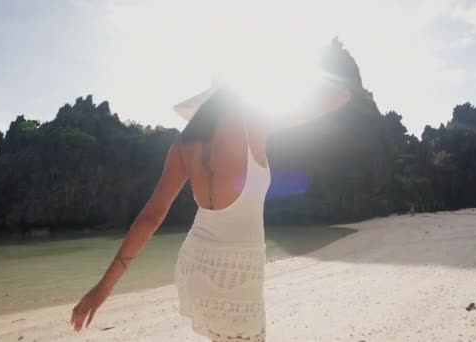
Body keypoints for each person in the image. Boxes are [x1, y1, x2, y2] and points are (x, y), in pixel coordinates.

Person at [70, 73, 351, 341]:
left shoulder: (183, 144)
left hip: (197, 266)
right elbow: (333, 98)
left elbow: (150, 217)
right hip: (239, 270)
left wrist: (103, 288)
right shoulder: (255, 123)